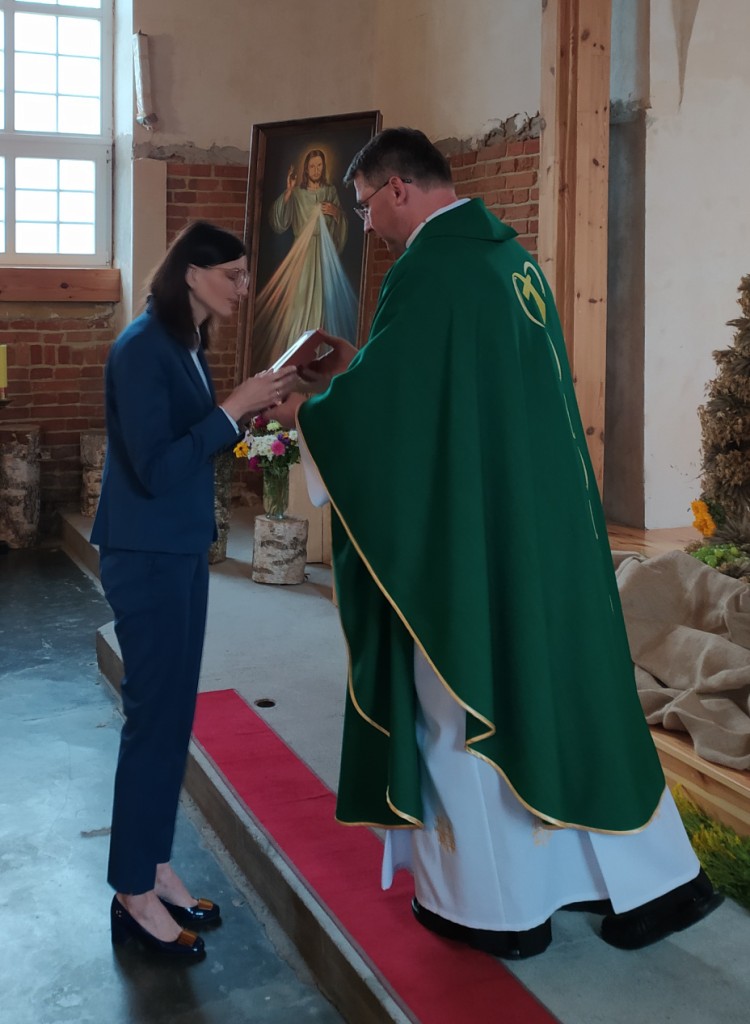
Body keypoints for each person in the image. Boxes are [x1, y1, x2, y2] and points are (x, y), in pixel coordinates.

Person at [288, 128, 723, 959]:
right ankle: (655, 887)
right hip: (543, 524)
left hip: (475, 540)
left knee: (463, 698)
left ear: (398, 188)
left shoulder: (433, 268)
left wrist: (310, 413)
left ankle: (496, 912)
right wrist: (360, 367)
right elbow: (450, 393)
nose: (367, 224)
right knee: (569, 698)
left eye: (366, 204)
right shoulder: (507, 260)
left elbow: (404, 420)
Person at [91, 221, 298, 961]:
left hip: (177, 547)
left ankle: (153, 864)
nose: (243, 287)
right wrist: (233, 407)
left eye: (244, 274)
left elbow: (194, 441)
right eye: (232, 275)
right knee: (152, 719)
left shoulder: (186, 342)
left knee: (176, 716)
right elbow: (155, 466)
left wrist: (250, 417)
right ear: (192, 274)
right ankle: (131, 891)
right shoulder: (142, 347)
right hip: (145, 552)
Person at [252, 148, 357, 371]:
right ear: (306, 169)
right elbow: (278, 222)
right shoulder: (298, 194)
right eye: (312, 166)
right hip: (301, 254)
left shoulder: (330, 191)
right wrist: (289, 192)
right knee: (297, 307)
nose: (316, 170)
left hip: (323, 256)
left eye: (319, 166)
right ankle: (293, 361)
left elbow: (341, 226)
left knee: (320, 307)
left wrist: (337, 214)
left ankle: (316, 364)